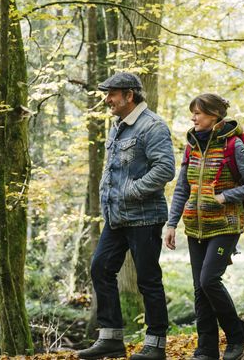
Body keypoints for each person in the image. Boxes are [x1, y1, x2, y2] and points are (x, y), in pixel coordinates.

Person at [77, 73, 176, 360]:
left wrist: (132, 190)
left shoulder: (152, 126)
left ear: (129, 95)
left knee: (147, 279)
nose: (107, 99)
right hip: (116, 217)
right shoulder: (117, 126)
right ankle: (110, 338)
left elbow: (165, 169)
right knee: (100, 268)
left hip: (144, 216)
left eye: (112, 94)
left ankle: (156, 343)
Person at [164, 93, 244, 360]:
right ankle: (206, 349)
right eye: (192, 113)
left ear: (214, 115)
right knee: (200, 287)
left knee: (209, 280)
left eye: (197, 113)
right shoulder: (191, 146)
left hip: (225, 225)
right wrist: (171, 223)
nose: (193, 118)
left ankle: (236, 335)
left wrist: (225, 196)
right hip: (195, 227)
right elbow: (182, 187)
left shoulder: (233, 146)